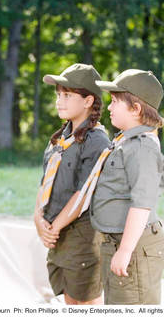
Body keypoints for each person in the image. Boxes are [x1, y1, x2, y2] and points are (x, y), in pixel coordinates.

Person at [71, 69, 164, 304]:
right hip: (117, 243)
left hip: (132, 249)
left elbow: (142, 205)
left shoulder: (142, 147)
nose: (109, 107)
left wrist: (125, 251)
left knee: (132, 303)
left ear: (136, 109)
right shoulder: (125, 142)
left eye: (114, 102)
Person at [34, 63, 110, 305]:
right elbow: (45, 181)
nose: (59, 101)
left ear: (88, 101)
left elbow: (83, 193)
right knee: (70, 300)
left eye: (67, 95)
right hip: (58, 234)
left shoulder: (97, 140)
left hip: (82, 236)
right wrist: (38, 218)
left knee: (86, 302)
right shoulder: (60, 137)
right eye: (58, 95)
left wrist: (54, 227)